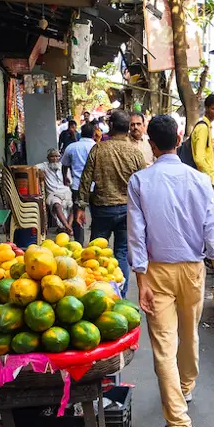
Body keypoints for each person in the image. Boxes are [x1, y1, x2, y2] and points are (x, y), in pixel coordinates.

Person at [127, 114, 214, 427]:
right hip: (194, 269)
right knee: (190, 333)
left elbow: (136, 237)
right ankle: (184, 388)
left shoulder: (140, 182)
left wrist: (140, 281)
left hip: (156, 272)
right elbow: (212, 233)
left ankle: (178, 422)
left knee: (164, 345)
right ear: (179, 138)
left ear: (151, 144)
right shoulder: (200, 181)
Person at [78, 110, 147, 296]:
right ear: (127, 129)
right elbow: (143, 184)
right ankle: (120, 296)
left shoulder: (98, 149)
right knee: (121, 254)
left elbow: (85, 180)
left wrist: (80, 207)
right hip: (127, 211)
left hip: (101, 210)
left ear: (110, 126)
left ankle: (96, 294)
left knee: (95, 254)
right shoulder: (135, 153)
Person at [63, 123, 97, 242]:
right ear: (93, 134)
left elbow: (64, 165)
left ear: (80, 133)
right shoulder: (97, 147)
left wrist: (65, 178)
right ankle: (95, 243)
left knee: (77, 214)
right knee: (96, 215)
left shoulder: (72, 147)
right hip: (94, 187)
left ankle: (79, 243)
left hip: (77, 186)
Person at [37, 148, 73, 233]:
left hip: (66, 192)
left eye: (57, 156)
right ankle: (68, 227)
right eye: (52, 156)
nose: (55, 159)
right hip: (53, 194)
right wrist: (39, 172)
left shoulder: (63, 167)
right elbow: (32, 168)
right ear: (48, 158)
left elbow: (69, 182)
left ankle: (68, 226)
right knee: (56, 205)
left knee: (74, 206)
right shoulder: (44, 166)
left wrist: (67, 180)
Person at [191, 94, 214, 185]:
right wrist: (209, 174)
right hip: (203, 180)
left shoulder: (207, 127)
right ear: (206, 108)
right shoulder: (203, 128)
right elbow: (199, 159)